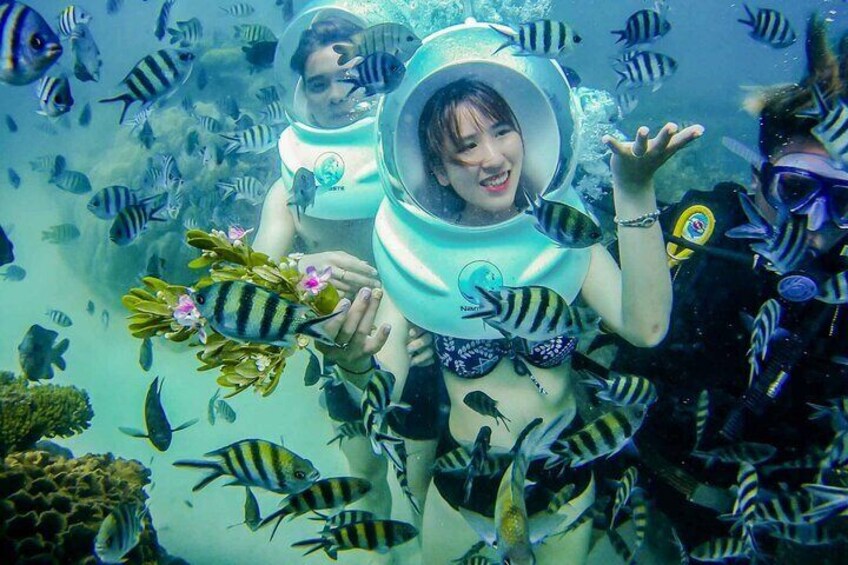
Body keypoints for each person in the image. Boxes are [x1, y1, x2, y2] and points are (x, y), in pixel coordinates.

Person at [316, 69, 702, 562]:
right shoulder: (417, 253)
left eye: (502, 131)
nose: (494, 158)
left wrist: (633, 190)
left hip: (562, 475)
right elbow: (382, 385)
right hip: (464, 478)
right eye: (467, 145)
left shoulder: (563, 232)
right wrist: (352, 363)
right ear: (438, 170)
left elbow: (645, 327)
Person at [602, 13, 848, 558]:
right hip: (645, 487)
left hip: (786, 531)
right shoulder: (704, 233)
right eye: (797, 189)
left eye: (845, 201)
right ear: (759, 179)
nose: (816, 224)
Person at [252, 14, 434, 528]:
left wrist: (439, 326)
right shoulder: (289, 190)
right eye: (318, 84)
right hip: (340, 360)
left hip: (419, 358)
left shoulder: (414, 164)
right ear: (300, 93)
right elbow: (252, 279)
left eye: (349, 76)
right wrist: (299, 267)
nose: (337, 94)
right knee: (365, 482)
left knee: (419, 488)